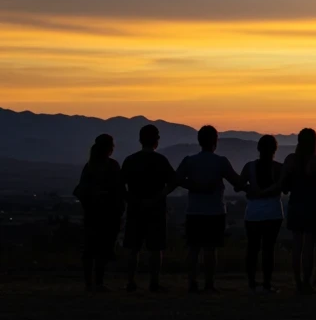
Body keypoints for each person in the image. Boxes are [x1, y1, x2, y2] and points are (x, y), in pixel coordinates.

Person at [173, 125, 242, 293]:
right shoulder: (221, 162)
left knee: (194, 249)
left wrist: (194, 186)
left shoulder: (189, 161)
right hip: (215, 211)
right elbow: (236, 182)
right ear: (215, 142)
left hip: (194, 211)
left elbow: (176, 179)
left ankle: (192, 283)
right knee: (211, 249)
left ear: (199, 141)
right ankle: (209, 284)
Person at [120, 123, 176, 293]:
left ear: (140, 140)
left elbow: (120, 186)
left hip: (135, 209)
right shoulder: (160, 160)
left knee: (133, 248)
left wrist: (132, 199)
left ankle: (130, 282)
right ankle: (154, 282)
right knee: (156, 248)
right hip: (156, 208)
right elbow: (173, 182)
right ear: (156, 141)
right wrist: (160, 195)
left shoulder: (130, 160)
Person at [75, 133, 124, 292]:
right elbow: (119, 190)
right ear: (110, 148)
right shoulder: (112, 166)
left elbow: (81, 191)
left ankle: (89, 283)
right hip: (108, 214)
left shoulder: (89, 166)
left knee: (90, 249)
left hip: (92, 214)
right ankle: (99, 282)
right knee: (102, 250)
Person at [282, 128, 316, 294]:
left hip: (295, 203)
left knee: (297, 245)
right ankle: (307, 282)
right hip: (311, 205)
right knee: (309, 247)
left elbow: (282, 183)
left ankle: (298, 282)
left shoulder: (290, 159)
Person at [240, 134, 284, 294]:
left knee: (252, 248)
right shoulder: (279, 168)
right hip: (273, 211)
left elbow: (239, 184)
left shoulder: (249, 167)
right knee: (268, 249)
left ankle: (252, 283)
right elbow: (284, 188)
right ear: (275, 149)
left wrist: (251, 190)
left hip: (253, 212)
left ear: (258, 148)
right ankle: (267, 284)